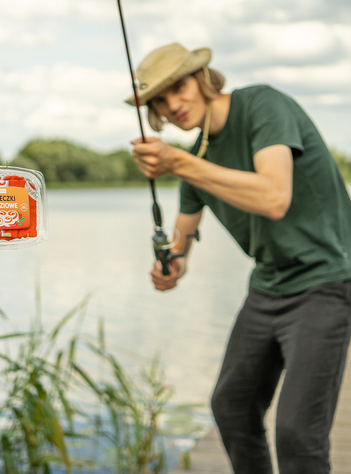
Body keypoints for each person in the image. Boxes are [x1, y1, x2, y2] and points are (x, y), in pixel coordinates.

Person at [127, 42, 351, 474]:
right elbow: (182, 238)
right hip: (268, 287)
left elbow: (274, 197)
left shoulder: (262, 105)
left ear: (203, 78)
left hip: (326, 282)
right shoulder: (193, 161)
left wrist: (178, 162)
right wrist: (170, 263)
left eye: (179, 88)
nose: (173, 105)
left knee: (297, 433)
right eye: (160, 100)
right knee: (231, 407)